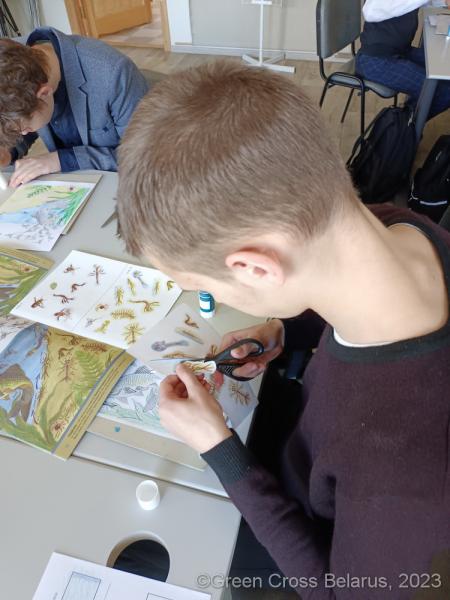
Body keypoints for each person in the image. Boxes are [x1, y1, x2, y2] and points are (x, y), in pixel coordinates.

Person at [116, 62, 450, 598]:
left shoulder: (407, 481)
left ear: (255, 268)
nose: (219, 299)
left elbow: (336, 590)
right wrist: (284, 331)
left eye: (205, 286)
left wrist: (220, 449)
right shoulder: (398, 226)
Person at [0, 27, 149, 188]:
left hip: (125, 183)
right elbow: (23, 116)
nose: (22, 133)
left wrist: (61, 160)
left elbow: (144, 157)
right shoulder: (9, 61)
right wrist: (8, 152)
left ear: (44, 93)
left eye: (24, 129)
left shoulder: (114, 74)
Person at [356, 0, 450, 119]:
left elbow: (429, 2)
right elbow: (369, 12)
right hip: (375, 60)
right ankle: (401, 125)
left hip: (401, 51)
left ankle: (404, 120)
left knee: (445, 70)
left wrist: (444, 2)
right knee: (443, 92)